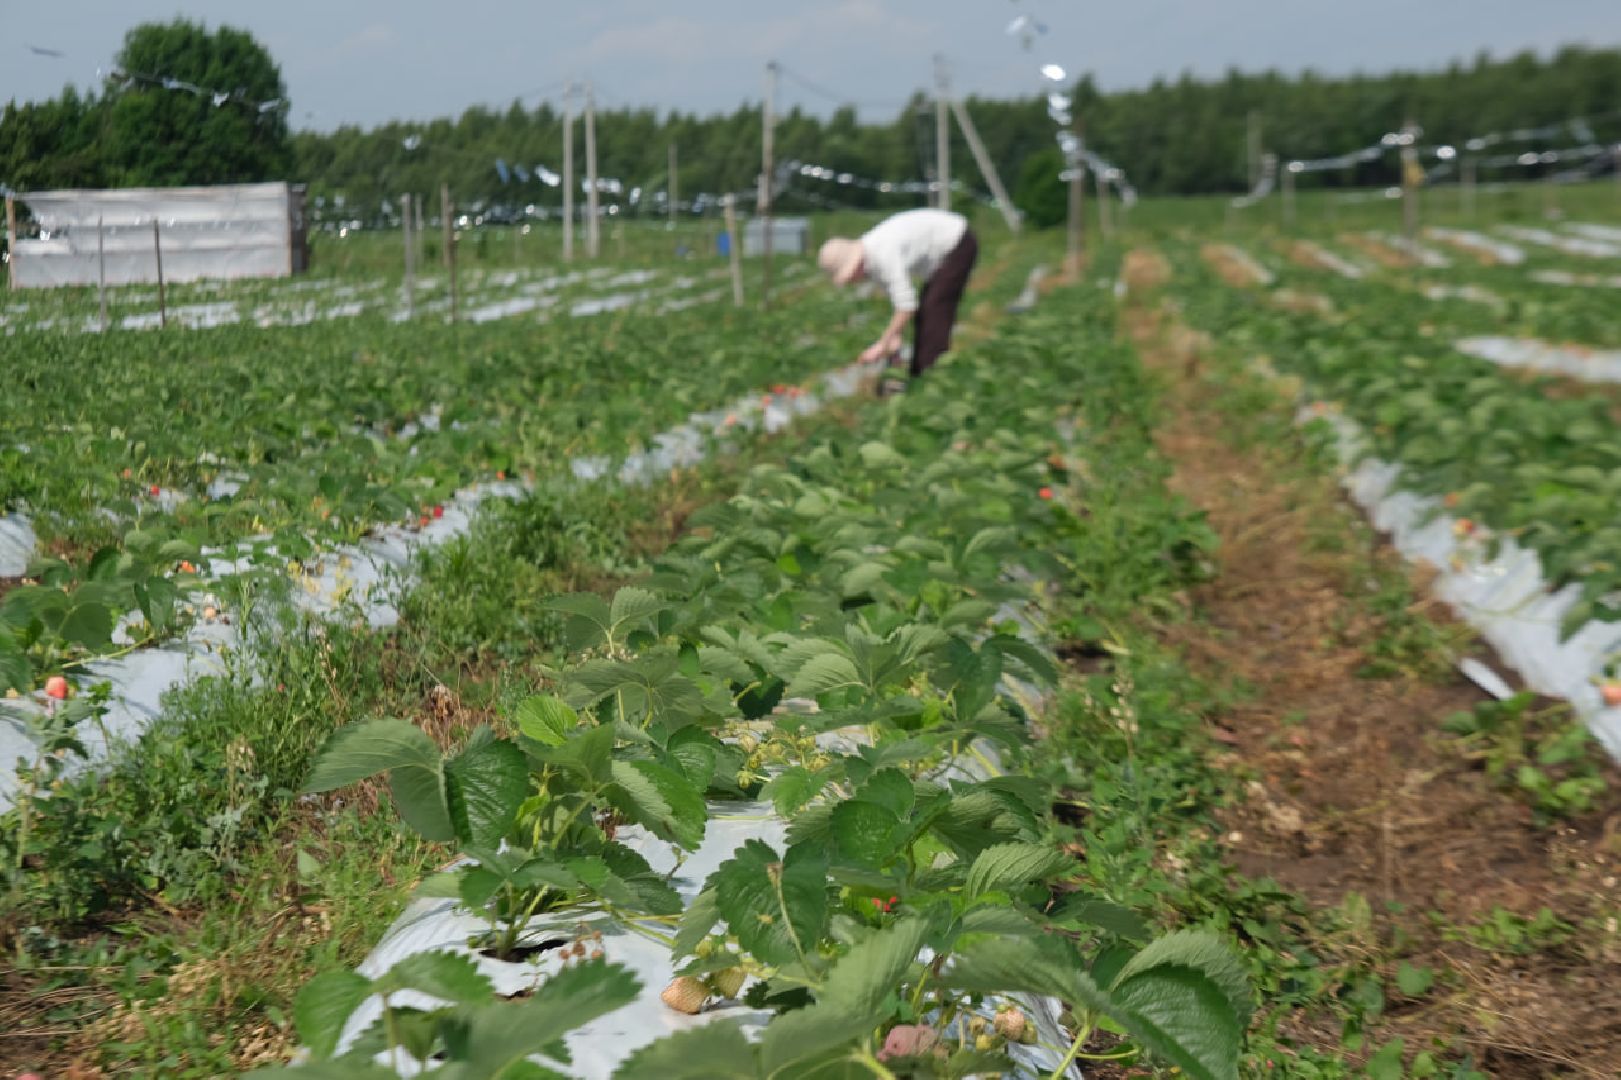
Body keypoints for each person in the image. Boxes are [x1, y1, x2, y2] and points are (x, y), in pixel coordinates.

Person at [817, 208, 978, 395]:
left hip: (957, 242)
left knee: (934, 313)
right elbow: (898, 303)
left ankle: (931, 385)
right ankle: (923, 380)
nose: (853, 281)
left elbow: (907, 305)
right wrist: (894, 339)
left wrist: (882, 345)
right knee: (927, 314)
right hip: (944, 251)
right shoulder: (871, 263)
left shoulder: (882, 254)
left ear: (854, 266)